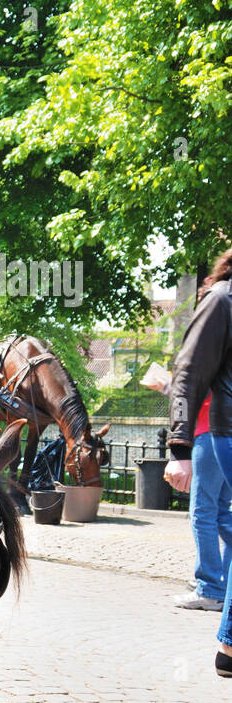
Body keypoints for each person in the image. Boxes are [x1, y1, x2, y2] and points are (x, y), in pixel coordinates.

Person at [164, 245, 232, 677]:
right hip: (225, 434)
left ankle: (228, 646)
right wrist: (179, 449)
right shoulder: (223, 298)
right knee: (206, 511)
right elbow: (187, 374)